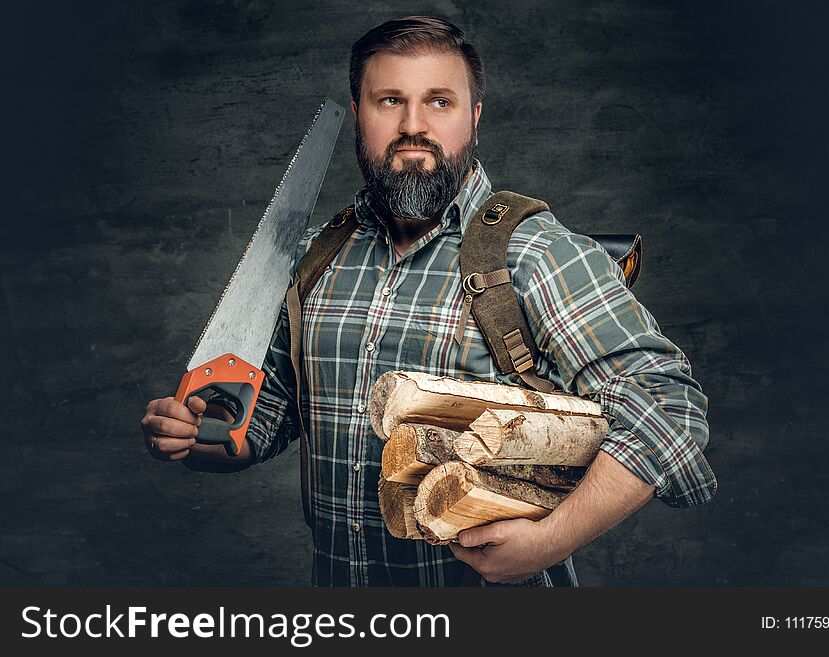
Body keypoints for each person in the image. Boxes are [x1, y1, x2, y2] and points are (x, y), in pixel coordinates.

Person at [140, 16, 716, 586]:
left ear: (474, 116)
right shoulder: (319, 256)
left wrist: (548, 542)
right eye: (389, 100)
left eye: (439, 102)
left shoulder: (535, 254)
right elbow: (274, 413)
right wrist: (204, 433)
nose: (413, 126)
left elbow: (667, 407)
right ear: (359, 112)